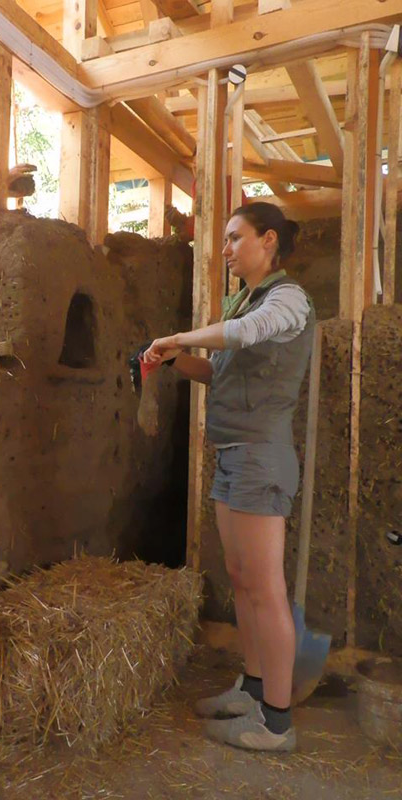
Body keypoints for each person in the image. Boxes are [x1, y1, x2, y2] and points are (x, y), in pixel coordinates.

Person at [144, 202, 314, 753]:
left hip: (261, 457)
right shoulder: (243, 300)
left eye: (235, 237)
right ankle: (254, 688)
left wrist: (182, 335)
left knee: (266, 589)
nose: (225, 249)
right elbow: (216, 371)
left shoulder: (287, 300)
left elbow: (244, 334)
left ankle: (277, 724)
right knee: (242, 580)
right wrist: (173, 358)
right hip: (234, 455)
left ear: (269, 240)